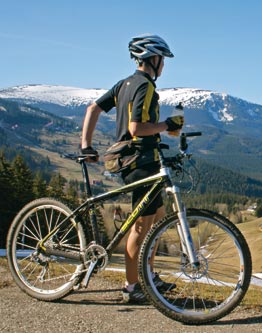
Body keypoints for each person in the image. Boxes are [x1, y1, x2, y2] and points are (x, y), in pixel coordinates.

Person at [80, 34, 183, 303]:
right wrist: (167, 126)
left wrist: (86, 145)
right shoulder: (146, 86)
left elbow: (93, 108)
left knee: (158, 217)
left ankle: (148, 276)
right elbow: (136, 128)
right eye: (163, 61)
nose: (164, 66)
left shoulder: (124, 83)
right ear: (154, 59)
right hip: (138, 161)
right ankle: (131, 287)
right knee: (141, 225)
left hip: (135, 160)